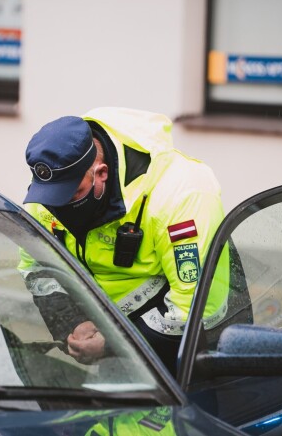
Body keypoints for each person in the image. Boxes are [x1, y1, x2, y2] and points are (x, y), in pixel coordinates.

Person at [21, 107, 229, 375]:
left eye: (73, 195)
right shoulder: (52, 190)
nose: (58, 206)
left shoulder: (182, 194)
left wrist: (114, 344)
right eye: (53, 197)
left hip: (201, 346)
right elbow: (35, 266)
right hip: (115, 340)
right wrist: (71, 323)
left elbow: (193, 309)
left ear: (102, 173)